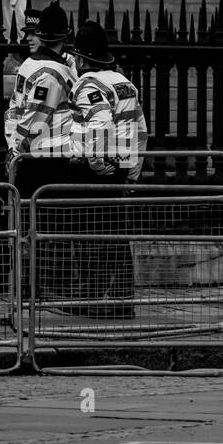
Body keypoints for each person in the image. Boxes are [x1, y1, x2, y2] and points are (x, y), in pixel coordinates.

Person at [65, 21, 147, 316]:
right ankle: (121, 302)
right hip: (122, 168)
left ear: (83, 59)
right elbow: (141, 131)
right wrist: (132, 174)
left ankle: (93, 303)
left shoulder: (89, 85)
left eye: (75, 56)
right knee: (117, 236)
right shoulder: (125, 83)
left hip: (96, 172)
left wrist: (97, 166)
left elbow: (99, 128)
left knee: (91, 238)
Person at [4, 2, 77, 199]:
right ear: (65, 35)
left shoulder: (28, 64)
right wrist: (17, 147)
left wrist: (12, 144)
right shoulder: (53, 73)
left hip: (31, 154)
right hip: (48, 155)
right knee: (47, 220)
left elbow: (14, 107)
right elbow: (35, 118)